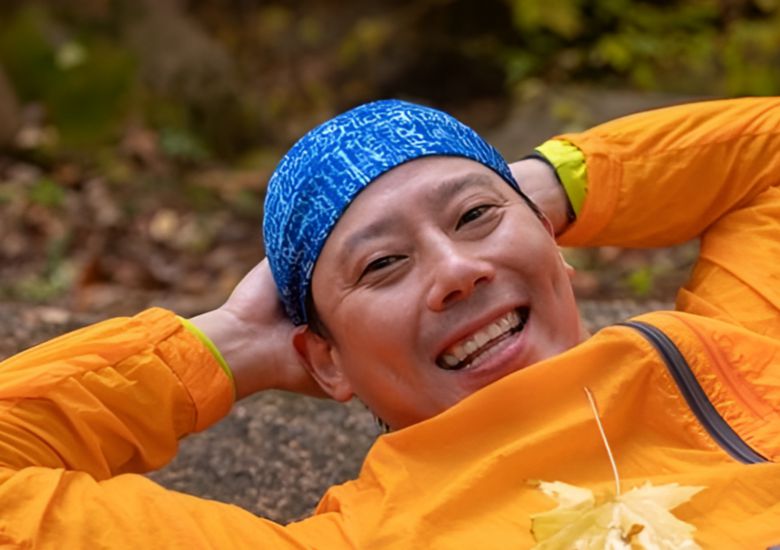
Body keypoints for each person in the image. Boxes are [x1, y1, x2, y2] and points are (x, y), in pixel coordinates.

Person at [0, 97, 778, 548]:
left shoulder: (738, 347)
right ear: (326, 361)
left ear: (549, 237)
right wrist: (223, 347)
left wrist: (547, 186)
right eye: (381, 265)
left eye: (474, 216)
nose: (455, 271)